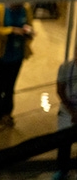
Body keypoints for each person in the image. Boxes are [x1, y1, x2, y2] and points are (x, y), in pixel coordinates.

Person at [0, 3, 35, 130]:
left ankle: (6, 114)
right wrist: (12, 30)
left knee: (10, 88)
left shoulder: (26, 10)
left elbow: (30, 26)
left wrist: (28, 31)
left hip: (17, 56)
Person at [55, 52, 77, 180]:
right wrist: (72, 111)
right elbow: (60, 90)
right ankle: (62, 171)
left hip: (71, 111)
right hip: (67, 112)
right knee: (63, 142)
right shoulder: (65, 68)